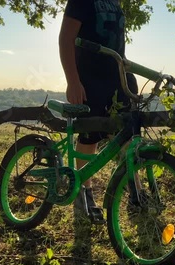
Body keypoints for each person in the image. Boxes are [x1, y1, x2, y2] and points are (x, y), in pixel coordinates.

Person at [59, 0, 138, 224]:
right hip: (89, 79)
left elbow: (116, 44)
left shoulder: (116, 2)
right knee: (89, 136)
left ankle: (136, 192)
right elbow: (65, 39)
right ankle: (84, 194)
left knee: (126, 135)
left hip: (118, 79)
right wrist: (73, 81)